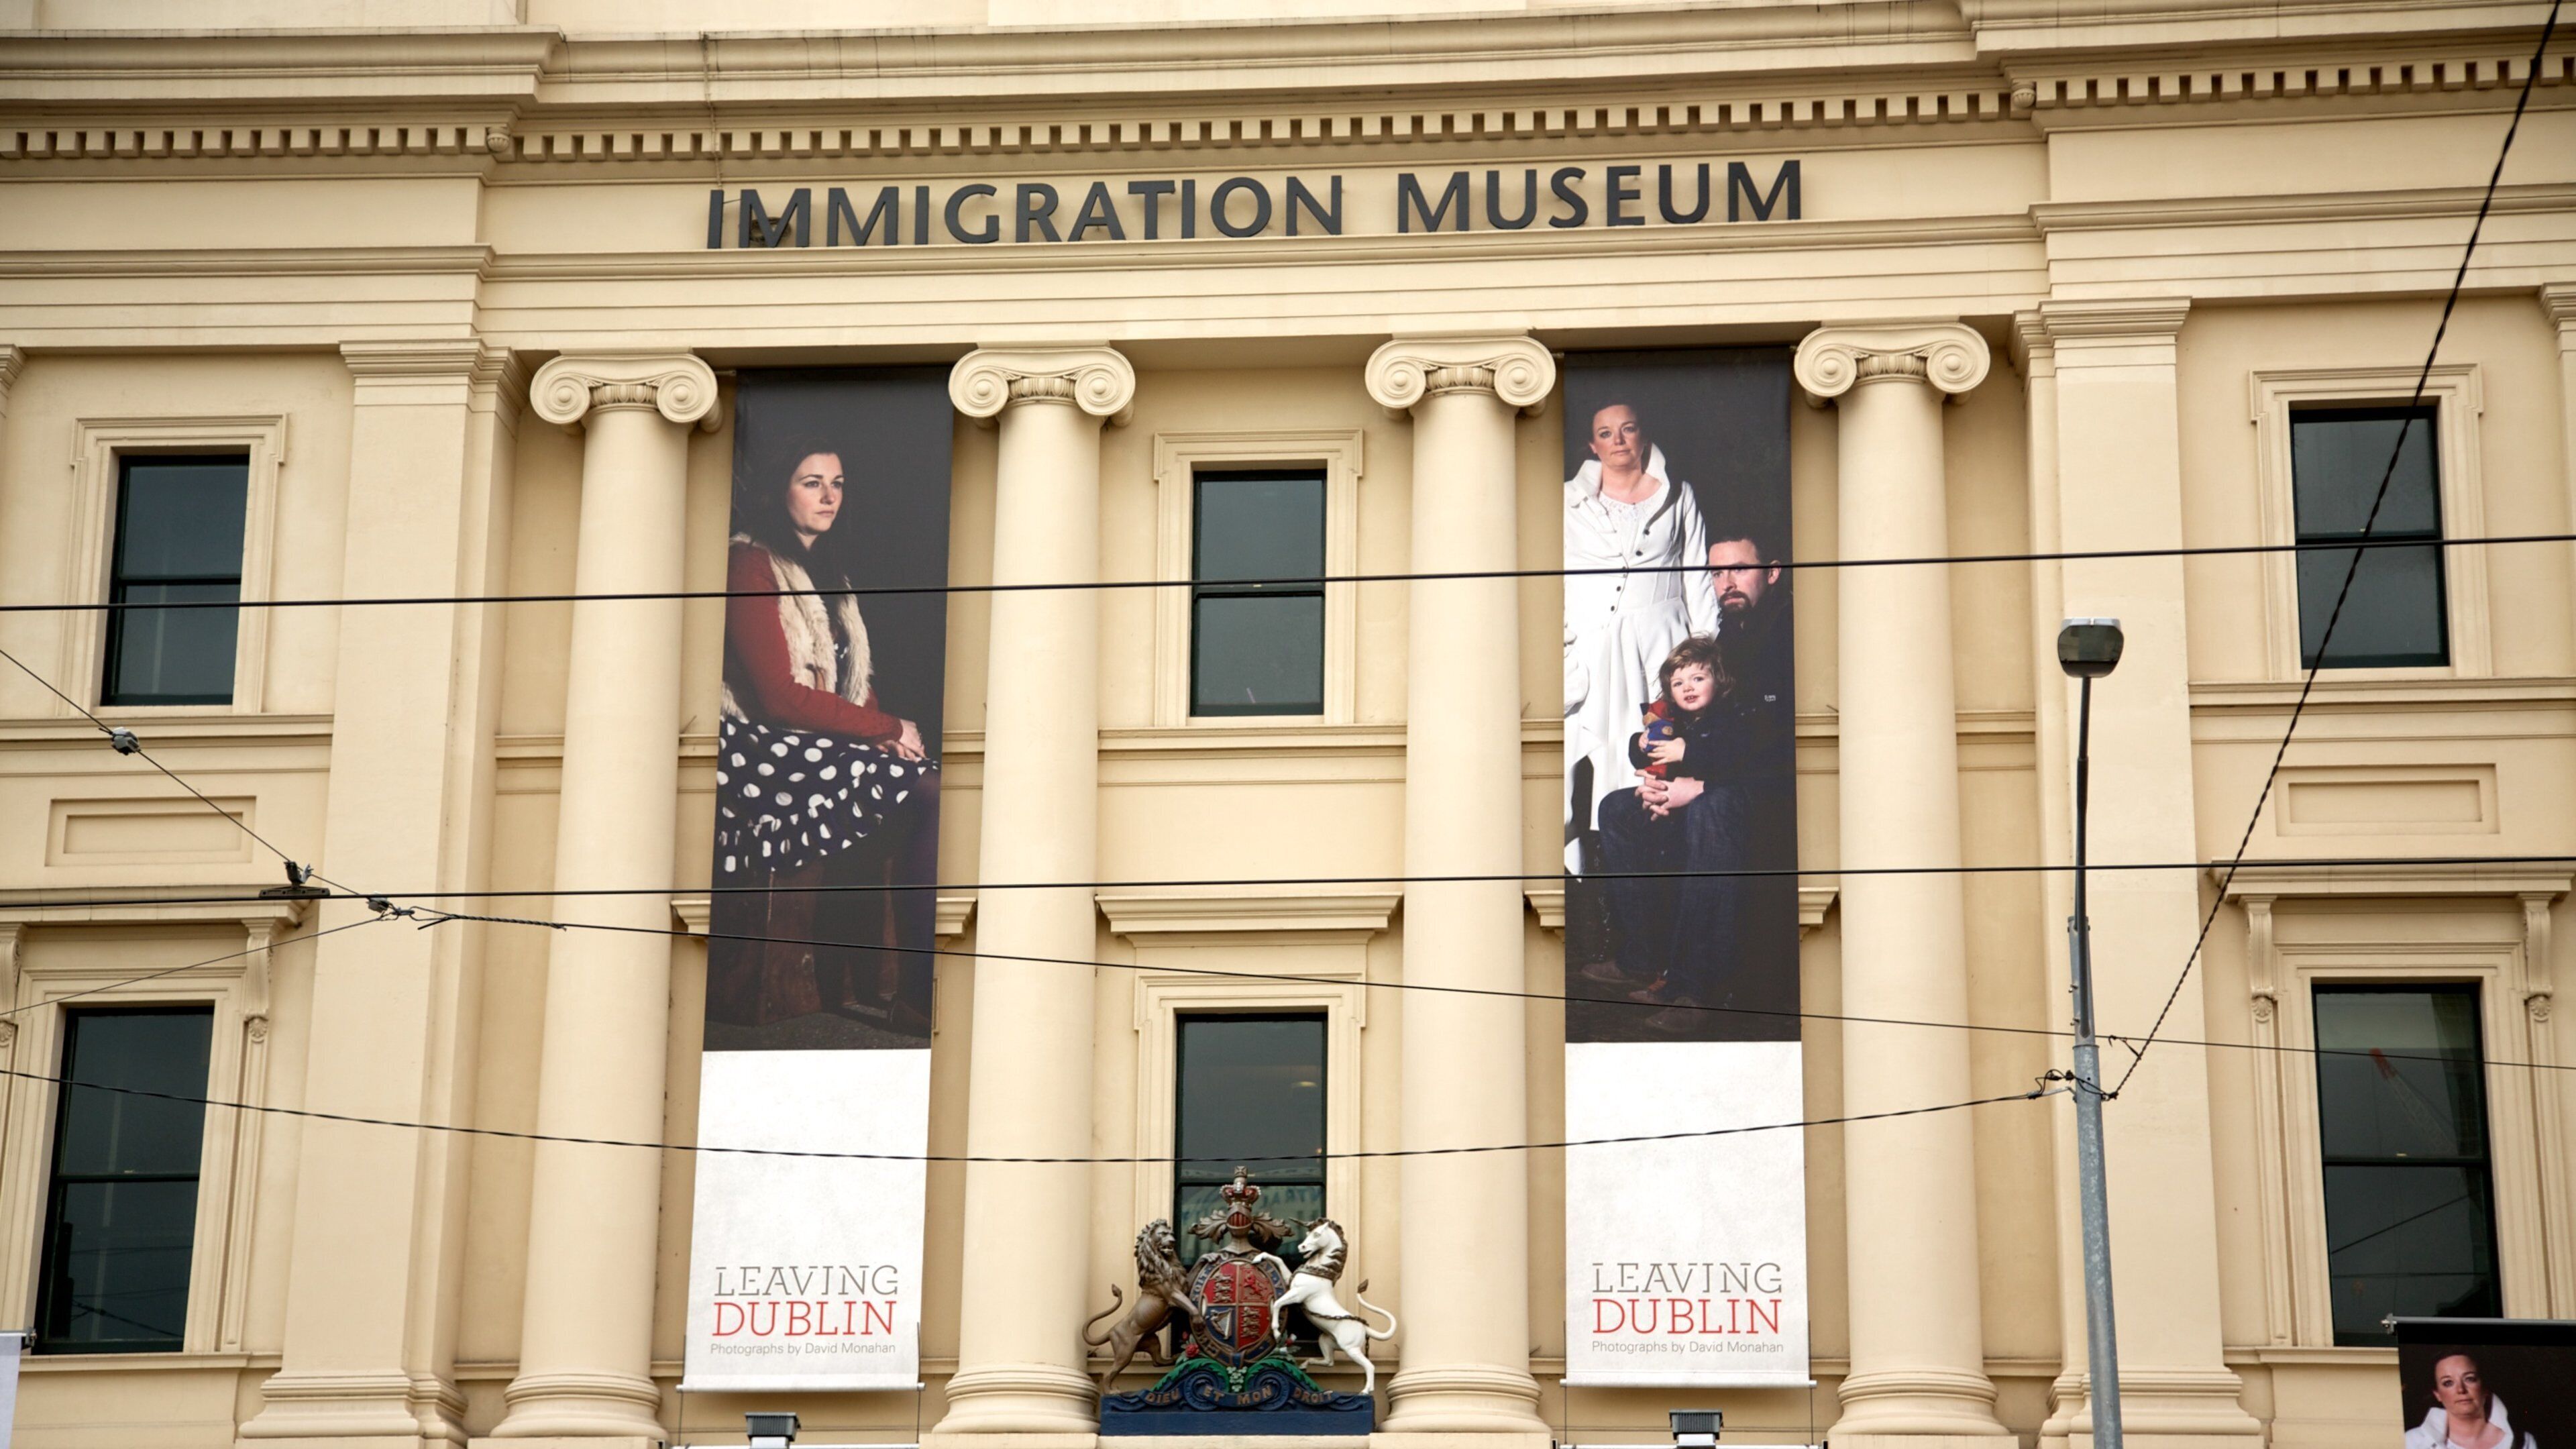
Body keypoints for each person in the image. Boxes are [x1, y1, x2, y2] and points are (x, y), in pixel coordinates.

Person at [708, 445, 940, 1038]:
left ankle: (899, 984)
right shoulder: (747, 564)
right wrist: (886, 731)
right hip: (759, 747)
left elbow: (852, 686)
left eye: (837, 483)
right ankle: (914, 995)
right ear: (777, 493)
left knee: (934, 784)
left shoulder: (829, 577)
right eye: (812, 483)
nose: (829, 496)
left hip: (811, 743)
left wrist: (891, 737)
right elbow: (780, 696)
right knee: (926, 794)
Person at [1563, 402, 1719, 871]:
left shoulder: (1678, 495)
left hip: (1662, 648)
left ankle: (1652, 859)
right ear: (1593, 445)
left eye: (1627, 429)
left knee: (1655, 750)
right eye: (1606, 433)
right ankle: (1592, 875)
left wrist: (1702, 648)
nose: (1618, 440)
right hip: (1595, 651)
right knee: (1591, 754)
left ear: (1643, 436)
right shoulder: (1569, 502)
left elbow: (1697, 572)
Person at [1588, 637, 1750, 1031]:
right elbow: (1645, 752)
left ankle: (1690, 986)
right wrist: (1640, 747)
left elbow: (1733, 759)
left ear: (1720, 680)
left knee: (1703, 813)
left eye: (1698, 678)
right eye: (1678, 683)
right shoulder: (1672, 718)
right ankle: (1639, 957)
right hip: (1675, 801)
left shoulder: (1729, 716)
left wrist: (1686, 755)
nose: (1688, 688)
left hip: (1718, 804)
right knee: (1614, 807)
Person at [2407, 1354, 2537, 1449]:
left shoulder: (2524, 1441)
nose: (2461, 1390)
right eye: (2448, 1383)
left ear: (2485, 1387)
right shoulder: (2412, 1441)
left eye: (2470, 1379)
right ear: (2438, 1394)